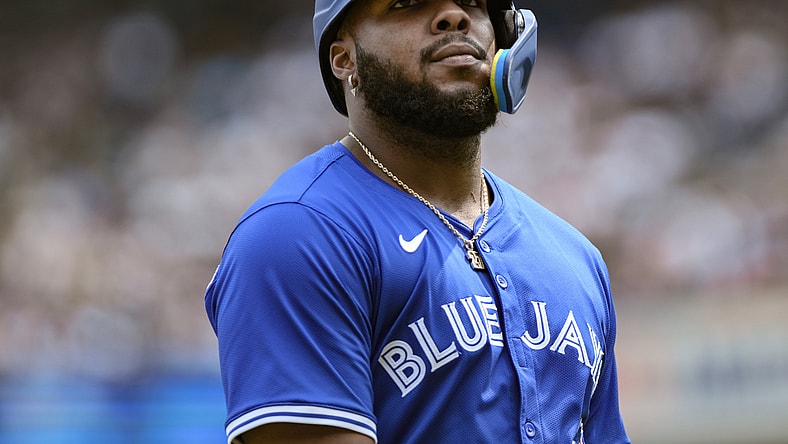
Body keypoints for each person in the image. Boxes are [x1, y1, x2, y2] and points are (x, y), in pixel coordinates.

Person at [205, 0, 631, 442]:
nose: (454, 16)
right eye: (406, 3)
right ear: (343, 58)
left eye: (473, 2)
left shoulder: (574, 256)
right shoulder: (297, 235)